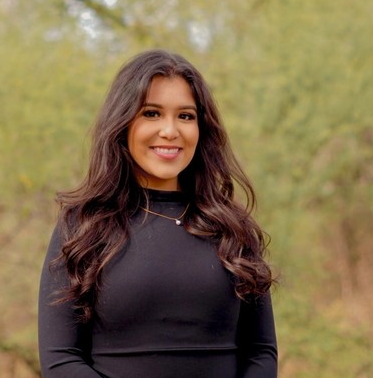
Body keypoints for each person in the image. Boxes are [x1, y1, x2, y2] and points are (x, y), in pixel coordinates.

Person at [38, 49, 277, 378]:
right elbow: (61, 360)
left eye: (186, 116)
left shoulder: (234, 229)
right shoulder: (82, 226)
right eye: (151, 113)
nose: (170, 130)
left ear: (202, 128)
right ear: (123, 123)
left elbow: (261, 352)